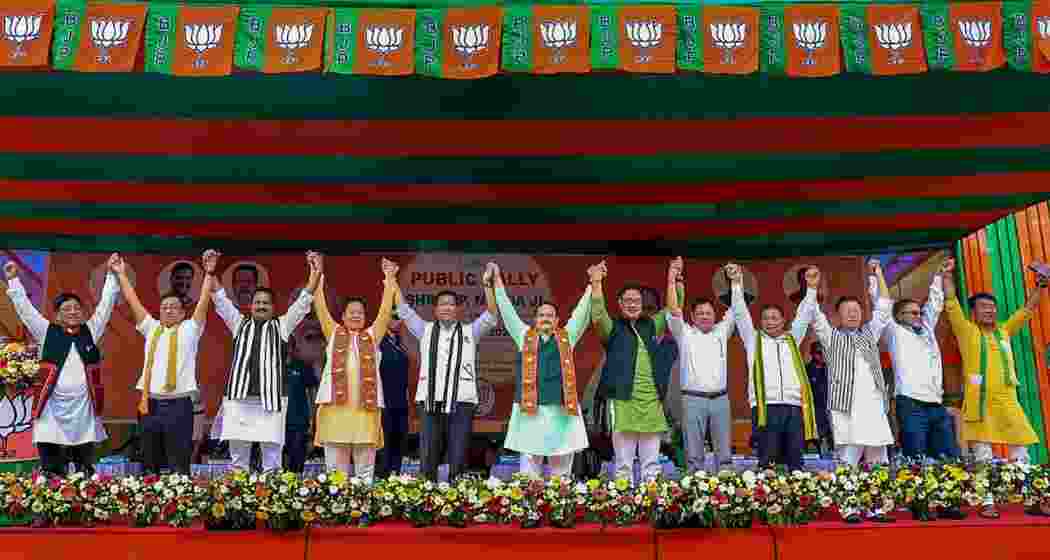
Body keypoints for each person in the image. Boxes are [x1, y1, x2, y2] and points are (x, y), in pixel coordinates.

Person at [943, 259, 1047, 518]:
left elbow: (1027, 310)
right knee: (982, 454)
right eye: (983, 307)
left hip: (1008, 400)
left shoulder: (1004, 331)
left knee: (1021, 449)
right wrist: (947, 275)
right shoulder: (966, 331)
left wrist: (1041, 286)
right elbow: (952, 303)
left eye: (992, 307)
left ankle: (1032, 498)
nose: (989, 311)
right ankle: (987, 502)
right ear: (973, 313)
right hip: (979, 402)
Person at [4, 255, 120, 477]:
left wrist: (112, 275)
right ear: (57, 315)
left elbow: (106, 305)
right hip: (51, 410)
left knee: (84, 471)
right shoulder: (46, 331)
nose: (73, 312)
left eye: (77, 308)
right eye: (67, 309)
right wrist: (13, 280)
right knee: (52, 470)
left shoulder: (91, 330)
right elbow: (25, 310)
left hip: (83, 410)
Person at [210, 250, 319, 472]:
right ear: (251, 306)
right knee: (238, 460)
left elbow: (304, 301)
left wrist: (315, 272)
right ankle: (238, 491)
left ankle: (271, 493)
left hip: (271, 401)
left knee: (272, 460)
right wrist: (211, 271)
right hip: (239, 400)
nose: (261, 305)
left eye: (265, 303)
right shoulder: (238, 323)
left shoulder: (282, 326)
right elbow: (220, 298)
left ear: (273, 307)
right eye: (257, 302)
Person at [491, 261, 591, 479]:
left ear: (557, 320)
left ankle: (560, 501)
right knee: (529, 471)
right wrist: (497, 281)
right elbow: (507, 311)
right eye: (541, 315)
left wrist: (594, 284)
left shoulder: (567, 337)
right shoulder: (524, 336)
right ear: (535, 320)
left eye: (550, 315)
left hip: (561, 411)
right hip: (531, 412)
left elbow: (581, 312)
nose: (545, 318)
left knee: (561, 472)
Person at [115, 254, 212, 475]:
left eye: (173, 307)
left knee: (179, 462)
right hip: (150, 404)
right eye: (164, 307)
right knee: (150, 461)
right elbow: (133, 301)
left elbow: (204, 301)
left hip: (180, 405)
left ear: (183, 312)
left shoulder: (190, 329)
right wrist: (121, 274)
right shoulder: (151, 328)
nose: (168, 310)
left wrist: (208, 273)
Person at [395, 274, 498, 481]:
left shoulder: (470, 331)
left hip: (462, 401)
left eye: (451, 304)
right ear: (435, 309)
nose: (447, 307)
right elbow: (404, 310)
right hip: (430, 400)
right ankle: (426, 493)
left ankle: (456, 495)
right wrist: (391, 279)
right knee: (428, 454)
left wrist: (488, 286)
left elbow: (491, 314)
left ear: (458, 309)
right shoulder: (425, 330)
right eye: (442, 304)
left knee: (458, 454)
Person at [590, 260, 681, 484]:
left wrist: (673, 279)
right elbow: (598, 313)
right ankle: (624, 500)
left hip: (651, 401)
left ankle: (651, 498)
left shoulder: (651, 325)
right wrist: (597, 282)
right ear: (620, 304)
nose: (632, 304)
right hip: (622, 401)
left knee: (652, 464)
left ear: (642, 304)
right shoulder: (611, 328)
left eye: (637, 301)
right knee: (623, 463)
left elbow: (672, 310)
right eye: (628, 301)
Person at [312, 256, 397, 482]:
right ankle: (337, 503)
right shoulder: (333, 333)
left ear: (365, 317)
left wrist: (389, 278)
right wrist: (317, 274)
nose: (356, 315)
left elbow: (385, 311)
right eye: (351, 311)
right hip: (335, 410)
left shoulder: (372, 336)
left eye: (360, 312)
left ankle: (363, 503)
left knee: (365, 471)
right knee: (335, 472)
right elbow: (320, 306)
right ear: (342, 316)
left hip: (365, 411)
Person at [729, 262, 819, 473]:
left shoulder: (792, 339)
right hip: (765, 407)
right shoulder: (753, 340)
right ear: (760, 322)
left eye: (774, 318)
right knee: (767, 463)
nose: (770, 322)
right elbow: (740, 313)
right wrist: (736, 284)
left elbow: (805, 314)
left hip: (793, 407)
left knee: (796, 463)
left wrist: (812, 288)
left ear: (783, 320)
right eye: (766, 318)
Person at [874, 258, 960, 466]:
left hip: (936, 402)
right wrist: (877, 274)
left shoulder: (926, 329)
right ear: (898, 315)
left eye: (919, 312)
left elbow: (935, 303)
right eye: (913, 312)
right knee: (916, 459)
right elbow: (881, 304)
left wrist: (939, 274)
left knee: (948, 457)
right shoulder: (893, 331)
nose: (919, 315)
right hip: (910, 402)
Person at [666, 256, 737, 471]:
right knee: (693, 455)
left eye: (708, 313)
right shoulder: (685, 333)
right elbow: (673, 310)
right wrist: (671, 278)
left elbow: (737, 308)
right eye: (700, 313)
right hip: (692, 399)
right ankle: (696, 483)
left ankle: (725, 483)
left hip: (720, 399)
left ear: (715, 315)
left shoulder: (722, 331)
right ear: (693, 316)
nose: (705, 316)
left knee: (724, 454)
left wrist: (735, 281)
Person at [375, 311, 411, 478]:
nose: (397, 321)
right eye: (393, 316)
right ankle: (382, 479)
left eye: (399, 317)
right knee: (385, 444)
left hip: (400, 402)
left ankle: (394, 477)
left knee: (399, 441)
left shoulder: (398, 341)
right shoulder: (377, 342)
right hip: (384, 402)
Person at [804, 341, 833, 456]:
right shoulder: (806, 370)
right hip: (813, 411)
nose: (822, 356)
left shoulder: (830, 369)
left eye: (824, 352)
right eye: (819, 353)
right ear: (812, 354)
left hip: (830, 410)